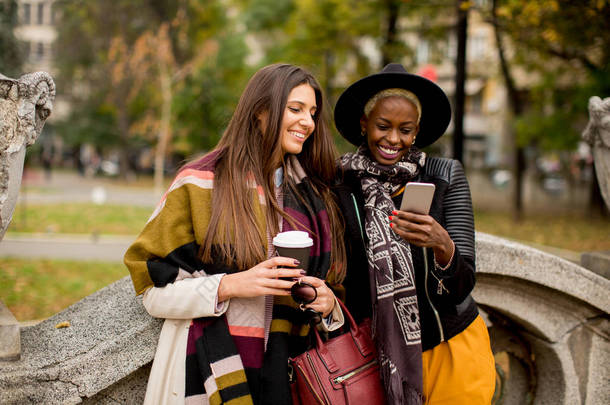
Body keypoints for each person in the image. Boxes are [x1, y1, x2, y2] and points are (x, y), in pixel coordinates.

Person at [124, 63, 347, 405]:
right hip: (207, 378)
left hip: (289, 382)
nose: (308, 122)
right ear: (260, 111)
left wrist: (328, 304)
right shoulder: (200, 182)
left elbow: (332, 298)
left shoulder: (314, 197)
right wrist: (230, 285)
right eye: (295, 109)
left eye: (313, 112)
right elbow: (153, 291)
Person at [333, 63, 496, 404]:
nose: (393, 139)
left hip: (451, 347)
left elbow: (463, 283)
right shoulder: (341, 184)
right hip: (373, 356)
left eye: (405, 130)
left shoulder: (444, 174)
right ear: (364, 125)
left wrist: (442, 245)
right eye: (383, 126)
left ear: (417, 132)